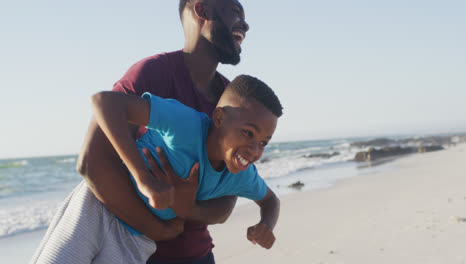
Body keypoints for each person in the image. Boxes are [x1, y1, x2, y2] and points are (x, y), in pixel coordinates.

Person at [31, 75, 281, 264]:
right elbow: (104, 102)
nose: (254, 150)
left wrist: (266, 224)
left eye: (263, 143)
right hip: (97, 208)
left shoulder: (240, 175)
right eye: (248, 133)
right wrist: (143, 178)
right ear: (219, 118)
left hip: (138, 241)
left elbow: (270, 200)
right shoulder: (186, 124)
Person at [79, 0, 251, 263]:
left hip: (199, 255)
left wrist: (186, 207)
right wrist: (157, 225)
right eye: (236, 13)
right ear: (202, 10)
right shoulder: (152, 74)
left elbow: (226, 203)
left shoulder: (231, 100)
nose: (245, 24)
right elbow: (93, 162)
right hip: (134, 254)